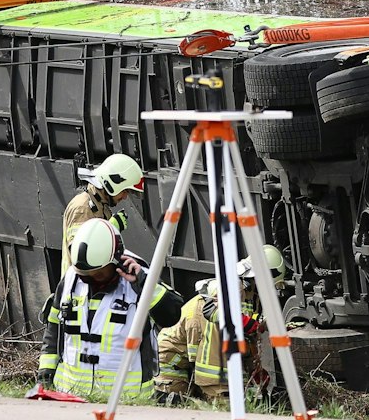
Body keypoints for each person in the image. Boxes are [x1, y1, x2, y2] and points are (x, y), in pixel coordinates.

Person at [38, 218, 180, 402]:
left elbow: (172, 315)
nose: (91, 280)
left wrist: (144, 284)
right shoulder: (71, 279)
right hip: (70, 395)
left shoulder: (140, 280)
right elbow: (54, 327)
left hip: (127, 400)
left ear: (116, 261)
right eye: (85, 276)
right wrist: (46, 371)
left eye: (99, 274)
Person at [154, 245, 283, 404]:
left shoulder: (249, 295)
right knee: (180, 406)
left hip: (189, 360)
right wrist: (223, 389)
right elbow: (213, 311)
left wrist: (254, 371)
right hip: (173, 361)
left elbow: (244, 338)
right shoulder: (230, 286)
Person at [60, 153, 141, 279]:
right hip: (80, 285)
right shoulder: (82, 208)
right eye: (124, 191)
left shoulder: (100, 205)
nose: (125, 197)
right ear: (111, 184)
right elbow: (81, 256)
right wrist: (111, 227)